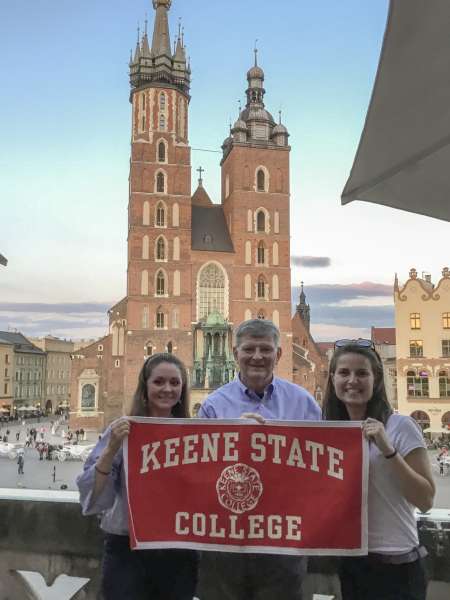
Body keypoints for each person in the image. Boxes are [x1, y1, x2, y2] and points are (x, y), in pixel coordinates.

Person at [197, 319, 321, 600]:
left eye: (265, 349)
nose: (257, 356)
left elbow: (319, 473)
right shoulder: (214, 406)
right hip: (226, 544)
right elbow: (198, 476)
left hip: (282, 546)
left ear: (278, 355)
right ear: (235, 353)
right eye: (249, 349)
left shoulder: (303, 404)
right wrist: (232, 441)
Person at [77, 353, 198, 600]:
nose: (167, 389)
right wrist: (111, 448)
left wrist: (243, 431)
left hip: (177, 548)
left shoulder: (193, 433)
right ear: (145, 386)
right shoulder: (123, 430)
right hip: (127, 547)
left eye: (175, 383)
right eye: (159, 381)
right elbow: (93, 496)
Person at [322, 339, 435, 600]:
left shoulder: (400, 426)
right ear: (332, 378)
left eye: (362, 373)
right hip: (352, 561)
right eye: (344, 372)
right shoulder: (328, 430)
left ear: (376, 379)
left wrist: (388, 450)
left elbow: (426, 499)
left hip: (399, 563)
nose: (352, 381)